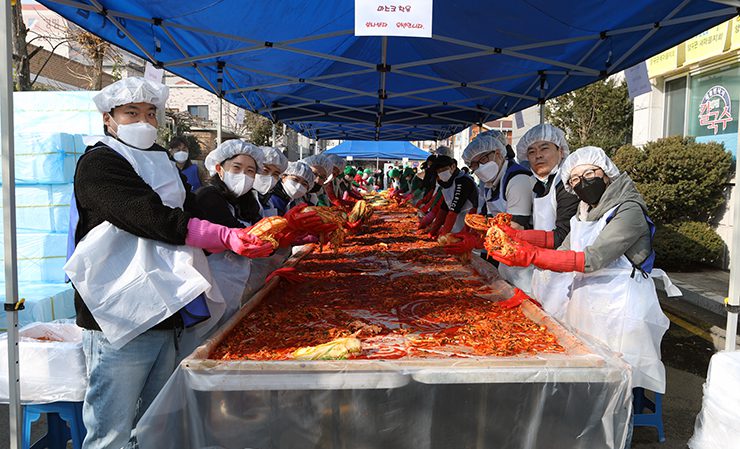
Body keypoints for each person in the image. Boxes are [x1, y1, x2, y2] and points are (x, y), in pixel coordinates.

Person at [66, 77, 272, 449]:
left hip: (167, 307)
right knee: (111, 427)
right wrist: (222, 236)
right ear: (108, 118)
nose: (144, 121)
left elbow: (188, 207)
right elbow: (150, 216)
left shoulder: (161, 160)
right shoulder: (99, 163)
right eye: (131, 113)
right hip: (120, 310)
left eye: (150, 113)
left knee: (154, 422)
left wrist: (237, 236)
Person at [489, 146, 672, 397]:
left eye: (589, 174)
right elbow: (565, 245)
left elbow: (593, 259)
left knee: (617, 379)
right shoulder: (584, 209)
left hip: (621, 308)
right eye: (575, 179)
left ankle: (621, 425)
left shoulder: (628, 210)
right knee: (589, 372)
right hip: (589, 300)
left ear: (606, 172)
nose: (582, 183)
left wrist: (530, 255)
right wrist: (520, 238)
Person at [511, 124, 579, 318]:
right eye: (531, 152)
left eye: (544, 148)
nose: (538, 156)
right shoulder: (540, 185)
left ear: (560, 150)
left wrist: (519, 238)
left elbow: (563, 235)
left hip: (567, 272)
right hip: (545, 269)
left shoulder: (566, 184)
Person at [461, 129, 533, 292]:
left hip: (526, 261)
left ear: (499, 153)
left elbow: (516, 228)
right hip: (505, 257)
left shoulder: (517, 179)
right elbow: (488, 220)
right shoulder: (490, 183)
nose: (480, 168)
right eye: (474, 165)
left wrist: (475, 242)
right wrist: (472, 235)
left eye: (484, 159)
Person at [195, 140, 265, 228]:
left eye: (250, 171)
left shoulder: (249, 201)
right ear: (219, 169)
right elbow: (231, 230)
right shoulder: (208, 196)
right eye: (236, 167)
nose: (243, 175)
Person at [420, 155, 478, 237]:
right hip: (456, 224)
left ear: (453, 166)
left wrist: (443, 234)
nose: (441, 173)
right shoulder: (448, 183)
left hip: (470, 224)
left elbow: (453, 211)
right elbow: (444, 208)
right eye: (439, 172)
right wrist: (433, 231)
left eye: (444, 170)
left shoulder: (463, 181)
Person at [253, 146, 289, 217]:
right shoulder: (238, 199)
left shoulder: (268, 202)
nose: (270, 177)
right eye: (265, 170)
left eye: (275, 174)